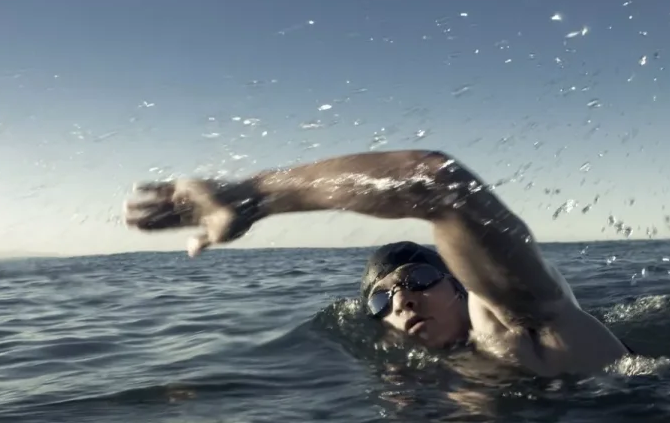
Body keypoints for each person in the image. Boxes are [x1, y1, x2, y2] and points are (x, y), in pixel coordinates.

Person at [123, 148, 628, 377]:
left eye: (419, 279)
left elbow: (439, 186)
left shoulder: (523, 330)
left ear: (460, 285)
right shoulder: (421, 384)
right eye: (381, 300)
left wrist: (255, 195)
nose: (402, 301)